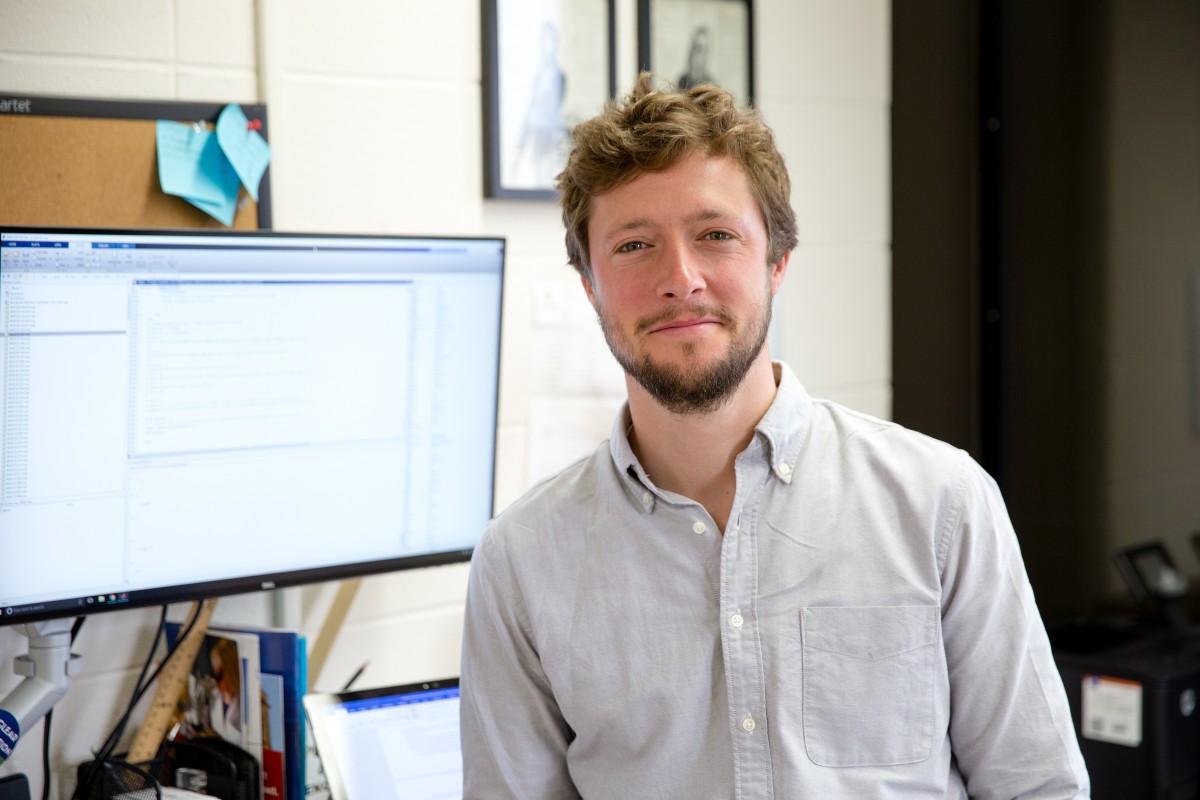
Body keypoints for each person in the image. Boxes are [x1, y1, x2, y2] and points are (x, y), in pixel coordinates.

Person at [460, 72, 1090, 799]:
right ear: (590, 285)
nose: (681, 278)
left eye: (716, 235)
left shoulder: (941, 505)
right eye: (634, 246)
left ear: (777, 262)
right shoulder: (522, 563)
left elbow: (1037, 787)